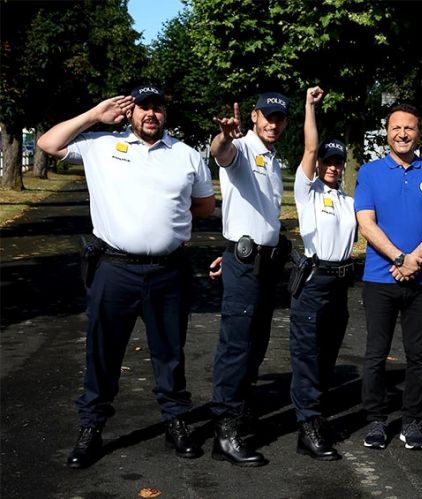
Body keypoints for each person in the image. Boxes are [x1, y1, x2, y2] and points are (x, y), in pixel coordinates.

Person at [37, 85, 216, 469]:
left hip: (168, 270)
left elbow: (203, 204)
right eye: (143, 108)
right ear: (130, 112)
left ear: (166, 113)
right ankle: (91, 427)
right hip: (114, 269)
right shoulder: (100, 145)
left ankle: (176, 421)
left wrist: (166, 224)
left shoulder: (186, 155)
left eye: (158, 108)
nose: (151, 114)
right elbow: (48, 144)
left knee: (169, 353)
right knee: (102, 353)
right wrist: (92, 115)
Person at [354, 103, 422, 451]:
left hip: (421, 281)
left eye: (409, 128)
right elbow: (366, 223)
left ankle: (412, 421)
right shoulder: (369, 172)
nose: (402, 134)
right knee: (375, 354)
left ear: (418, 133)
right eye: (396, 128)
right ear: (387, 132)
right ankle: (377, 421)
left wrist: (416, 259)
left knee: (418, 356)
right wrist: (399, 257)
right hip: (380, 279)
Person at [208, 91, 291, 467]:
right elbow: (221, 153)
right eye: (268, 116)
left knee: (256, 343)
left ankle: (240, 413)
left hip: (264, 262)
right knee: (236, 345)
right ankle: (225, 429)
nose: (273, 123)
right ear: (255, 116)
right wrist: (225, 135)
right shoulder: (240, 147)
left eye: (280, 118)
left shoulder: (274, 158)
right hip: (245, 262)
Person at [290, 86, 357, 460]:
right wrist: (309, 108)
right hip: (314, 280)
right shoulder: (307, 192)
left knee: (328, 354)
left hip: (341, 282)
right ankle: (308, 426)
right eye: (327, 161)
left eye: (338, 161)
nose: (331, 165)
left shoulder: (349, 200)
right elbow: (310, 148)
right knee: (308, 356)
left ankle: (316, 413)